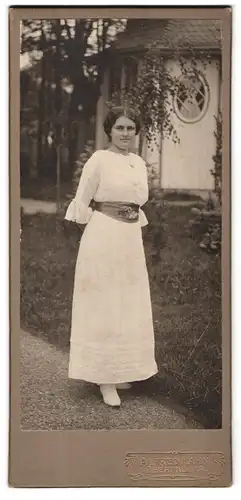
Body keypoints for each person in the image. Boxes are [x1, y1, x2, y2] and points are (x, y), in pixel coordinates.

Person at [65, 105, 158, 407]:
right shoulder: (99, 160)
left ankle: (120, 370)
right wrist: (94, 228)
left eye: (130, 128)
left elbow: (139, 201)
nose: (126, 133)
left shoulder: (139, 163)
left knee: (127, 301)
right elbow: (82, 200)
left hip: (130, 238)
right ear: (109, 130)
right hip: (104, 234)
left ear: (136, 132)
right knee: (105, 302)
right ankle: (104, 378)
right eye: (120, 127)